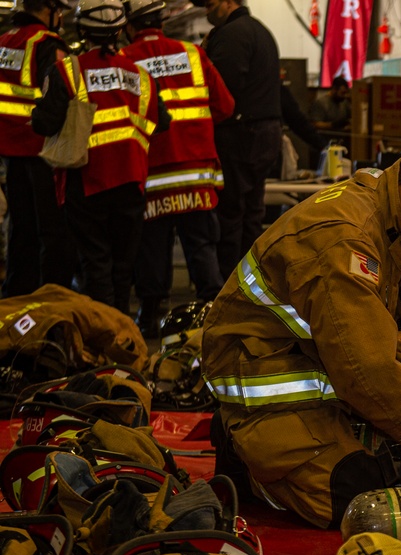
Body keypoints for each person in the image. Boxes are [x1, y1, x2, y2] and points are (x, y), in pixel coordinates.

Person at [201, 151, 401, 528]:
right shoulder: (344, 239)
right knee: (361, 501)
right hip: (264, 376)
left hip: (325, 362)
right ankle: (246, 455)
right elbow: (365, 370)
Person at [31, 0, 169, 315]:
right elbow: (162, 121)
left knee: (96, 264)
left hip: (87, 181)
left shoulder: (67, 70)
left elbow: (44, 122)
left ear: (83, 30)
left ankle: (103, 333)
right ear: (120, 30)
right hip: (132, 179)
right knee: (123, 265)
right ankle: (122, 333)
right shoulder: (140, 75)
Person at [121, 0, 233, 338]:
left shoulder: (125, 61)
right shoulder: (192, 54)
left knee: (152, 246)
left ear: (130, 27)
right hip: (197, 173)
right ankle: (212, 315)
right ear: (162, 21)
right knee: (201, 244)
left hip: (152, 174)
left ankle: (150, 316)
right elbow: (226, 107)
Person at [0, 0, 77, 297]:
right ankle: (55, 295)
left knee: (21, 227)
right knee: (55, 231)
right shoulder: (47, 44)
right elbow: (63, 93)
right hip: (42, 151)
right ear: (50, 10)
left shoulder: (5, 42)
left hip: (11, 151)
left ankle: (18, 292)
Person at [201, 0, 282, 281]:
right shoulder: (262, 31)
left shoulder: (231, 35)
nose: (206, 11)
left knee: (230, 215)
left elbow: (221, 90)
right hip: (267, 135)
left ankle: (229, 284)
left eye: (210, 5)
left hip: (240, 136)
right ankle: (251, 282)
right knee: (251, 214)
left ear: (228, 2)